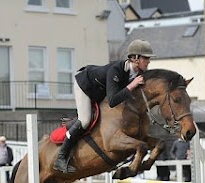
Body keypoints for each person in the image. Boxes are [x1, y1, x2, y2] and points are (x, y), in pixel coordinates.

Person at [54, 39, 156, 173]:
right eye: (146, 58)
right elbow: (113, 100)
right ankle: (61, 158)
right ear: (135, 58)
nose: (148, 61)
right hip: (85, 85)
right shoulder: (116, 70)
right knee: (85, 120)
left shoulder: (139, 74)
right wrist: (132, 85)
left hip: (101, 91)